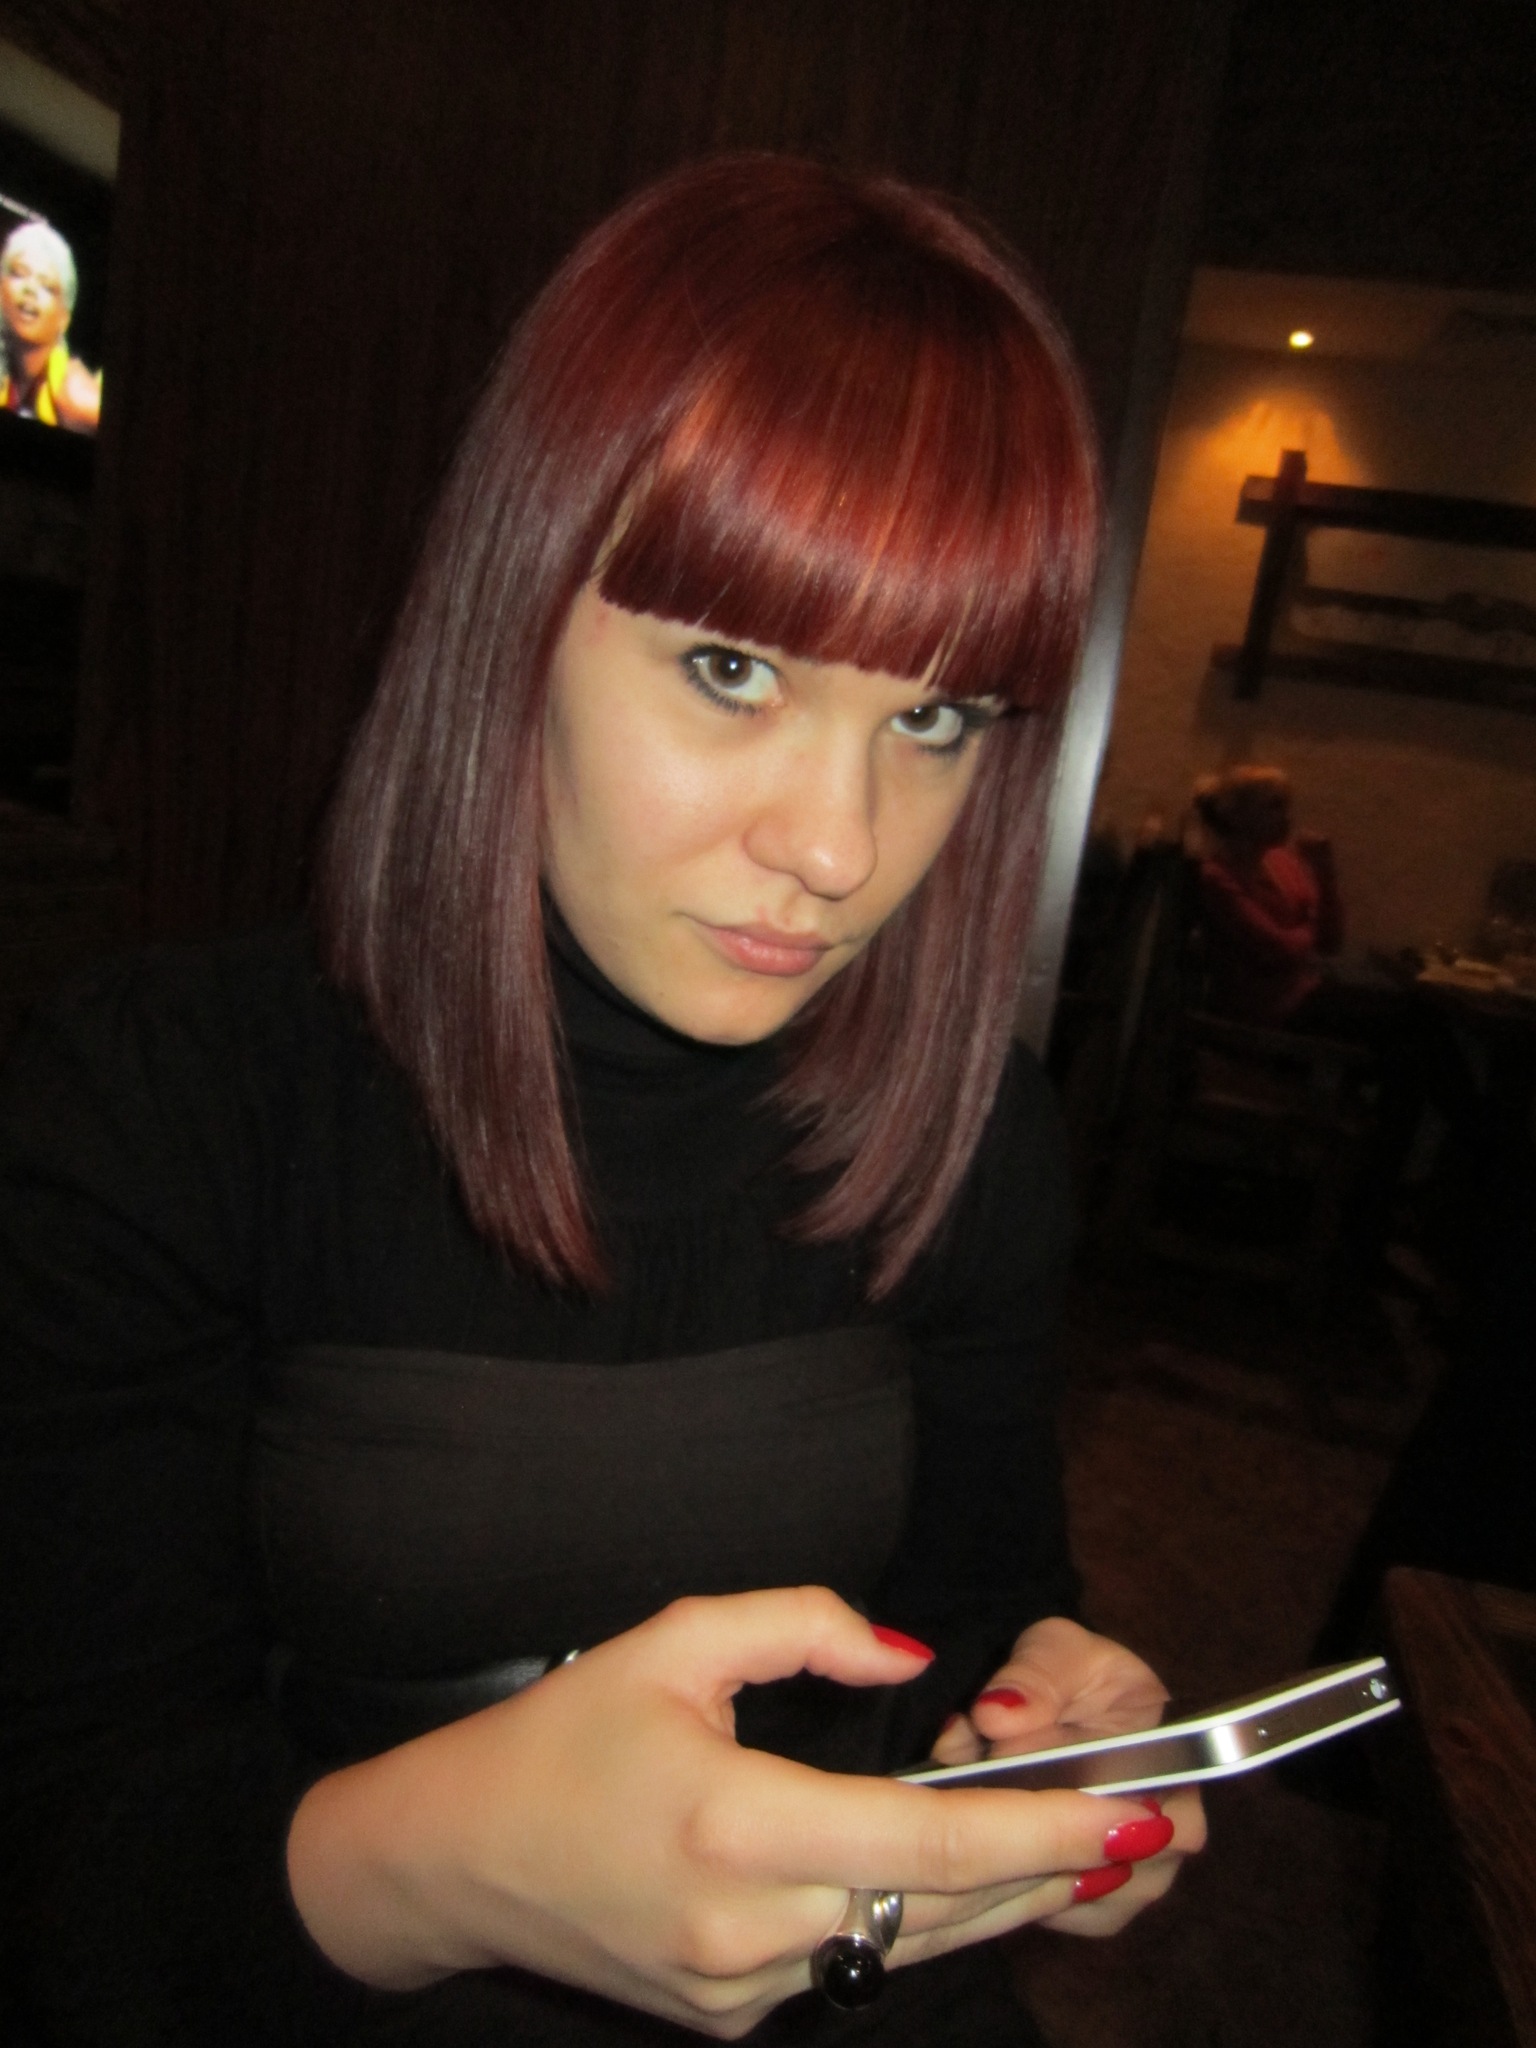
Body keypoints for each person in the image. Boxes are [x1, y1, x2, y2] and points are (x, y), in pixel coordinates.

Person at [0, 156, 1202, 2046]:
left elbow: (980, 1608)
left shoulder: (980, 1135)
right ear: (513, 613)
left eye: (934, 718)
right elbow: (61, 1862)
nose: (837, 846)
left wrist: (1037, 1723)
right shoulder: (164, 1106)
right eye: (731, 669)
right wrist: (439, 1866)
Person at [1192, 764, 1344, 1030]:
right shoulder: (1217, 877)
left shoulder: (1283, 862)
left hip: (1305, 994)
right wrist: (1310, 926)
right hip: (1263, 1011)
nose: (1287, 818)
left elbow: (1330, 942)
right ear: (1237, 816)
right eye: (1275, 806)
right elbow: (1278, 949)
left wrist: (1325, 875)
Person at [0, 219, 102, 434]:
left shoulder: (75, 397)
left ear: (64, 318)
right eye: (20, 273)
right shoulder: (9, 381)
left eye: (46, 286)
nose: (30, 289)